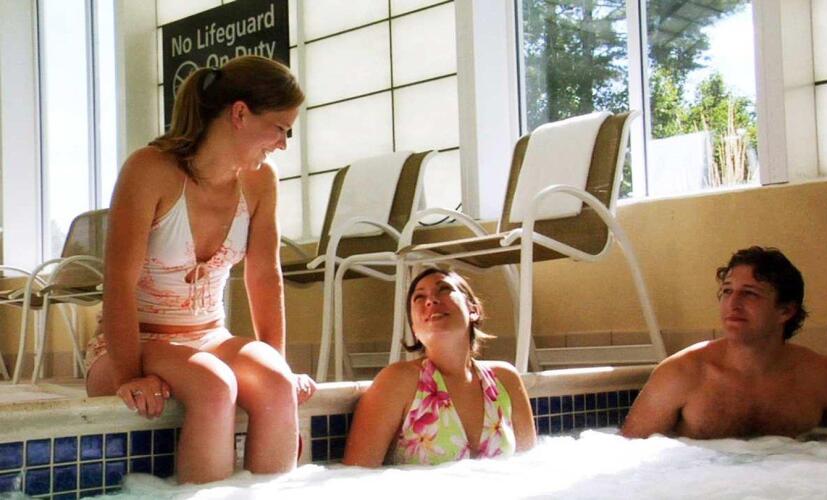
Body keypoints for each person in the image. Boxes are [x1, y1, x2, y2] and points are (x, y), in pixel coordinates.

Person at [84, 56, 316, 484]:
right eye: (280, 128)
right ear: (240, 114)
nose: (283, 144)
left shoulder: (262, 181)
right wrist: (129, 376)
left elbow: (264, 278)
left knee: (276, 385)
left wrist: (278, 366)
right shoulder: (149, 169)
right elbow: (118, 283)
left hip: (211, 338)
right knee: (214, 386)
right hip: (133, 345)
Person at [622, 246, 827, 439]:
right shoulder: (681, 374)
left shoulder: (822, 378)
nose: (733, 304)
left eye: (750, 294)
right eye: (727, 291)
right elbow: (633, 455)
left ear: (785, 311)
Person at [343, 268, 536, 466]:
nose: (430, 300)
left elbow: (530, 464)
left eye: (444, 289)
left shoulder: (505, 379)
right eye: (419, 297)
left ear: (473, 310)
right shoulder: (397, 381)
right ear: (414, 328)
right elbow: (356, 475)